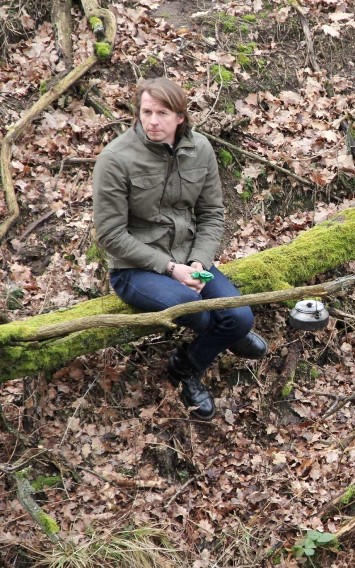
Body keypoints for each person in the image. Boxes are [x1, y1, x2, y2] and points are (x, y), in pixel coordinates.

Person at [93, 77, 268, 421]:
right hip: (134, 269)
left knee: (240, 316)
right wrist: (172, 269)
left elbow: (212, 214)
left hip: (190, 257)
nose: (152, 121)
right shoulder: (115, 159)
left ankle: (184, 363)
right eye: (146, 112)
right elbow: (110, 235)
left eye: (162, 113)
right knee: (197, 308)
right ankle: (196, 368)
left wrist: (199, 262)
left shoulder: (199, 149)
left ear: (180, 117)